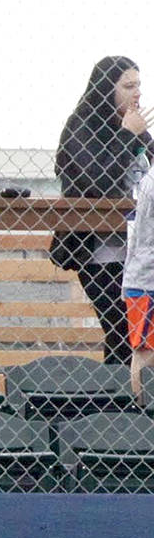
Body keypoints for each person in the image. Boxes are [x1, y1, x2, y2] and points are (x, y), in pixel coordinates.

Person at [52, 57, 154, 366]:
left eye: (138, 85)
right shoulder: (82, 125)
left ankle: (128, 402)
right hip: (99, 250)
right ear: (106, 88)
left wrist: (136, 135)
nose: (137, 93)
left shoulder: (131, 124)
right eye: (128, 86)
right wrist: (126, 135)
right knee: (121, 330)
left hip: (137, 250)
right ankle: (117, 403)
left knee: (140, 333)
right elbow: (97, 182)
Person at [123, 158, 154, 404]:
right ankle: (143, 413)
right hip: (148, 279)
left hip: (142, 275)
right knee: (146, 353)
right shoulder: (151, 180)